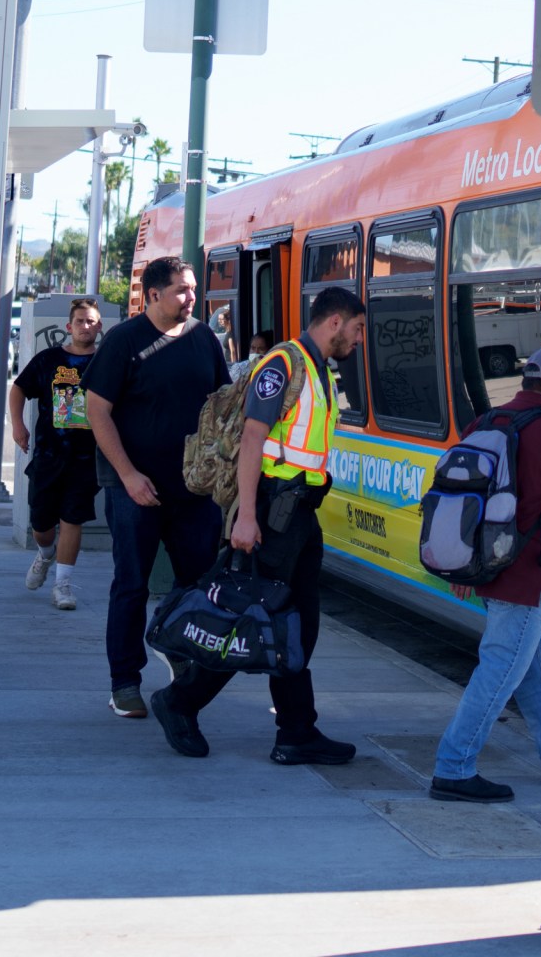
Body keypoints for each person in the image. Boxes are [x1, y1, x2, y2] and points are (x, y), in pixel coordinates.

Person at [152, 286, 367, 765]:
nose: (359, 339)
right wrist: (245, 517)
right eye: (357, 329)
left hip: (298, 515)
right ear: (335, 322)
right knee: (249, 618)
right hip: (272, 513)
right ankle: (180, 700)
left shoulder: (318, 369)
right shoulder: (283, 365)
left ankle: (296, 732)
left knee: (297, 625)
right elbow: (253, 440)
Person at [429, 346, 541, 803]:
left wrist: (463, 564)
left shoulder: (485, 424)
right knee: (501, 669)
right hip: (527, 578)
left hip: (488, 570)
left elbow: (458, 496)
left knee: (525, 669)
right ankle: (454, 765)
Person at [85, 256, 232, 719]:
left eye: (193, 290)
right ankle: (124, 683)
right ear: (152, 295)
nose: (191, 298)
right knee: (131, 584)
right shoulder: (123, 341)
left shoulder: (204, 338)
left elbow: (221, 408)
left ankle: (176, 647)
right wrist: (128, 476)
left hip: (194, 490)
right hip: (134, 488)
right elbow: (96, 411)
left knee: (199, 585)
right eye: (181, 290)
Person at [13, 297, 103, 610]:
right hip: (49, 456)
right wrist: (18, 426)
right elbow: (18, 389)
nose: (86, 326)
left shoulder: (106, 362)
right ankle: (45, 554)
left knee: (73, 519)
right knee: (42, 523)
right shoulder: (49, 359)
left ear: (99, 326)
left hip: (86, 459)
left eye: (91, 321)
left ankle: (63, 585)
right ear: (69, 326)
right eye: (80, 321)